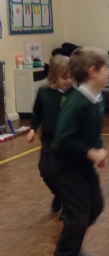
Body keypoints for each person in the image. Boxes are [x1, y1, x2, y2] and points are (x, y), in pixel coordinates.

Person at [51, 47, 109, 256]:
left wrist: (98, 149)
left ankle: (72, 245)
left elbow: (92, 131)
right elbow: (62, 139)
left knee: (95, 206)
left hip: (82, 163)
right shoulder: (77, 102)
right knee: (79, 214)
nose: (108, 73)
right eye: (105, 69)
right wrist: (91, 152)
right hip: (66, 166)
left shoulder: (96, 98)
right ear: (92, 72)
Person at [27, 55, 75, 214]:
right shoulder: (44, 93)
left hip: (68, 142)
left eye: (71, 77)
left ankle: (68, 204)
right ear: (54, 76)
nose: (69, 81)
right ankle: (60, 195)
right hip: (49, 140)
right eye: (64, 77)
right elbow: (37, 113)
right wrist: (32, 128)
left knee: (65, 173)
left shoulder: (75, 95)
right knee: (46, 170)